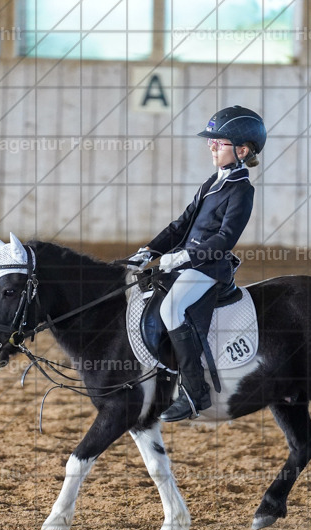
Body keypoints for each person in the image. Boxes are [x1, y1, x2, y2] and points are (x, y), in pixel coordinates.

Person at [133, 105, 267, 422]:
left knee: (171, 309)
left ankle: (195, 392)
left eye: (218, 142)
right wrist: (149, 250)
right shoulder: (212, 182)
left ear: (242, 149)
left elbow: (225, 238)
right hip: (187, 263)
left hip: (209, 268)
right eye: (212, 141)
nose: (211, 146)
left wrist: (185, 256)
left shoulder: (242, 189)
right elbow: (181, 225)